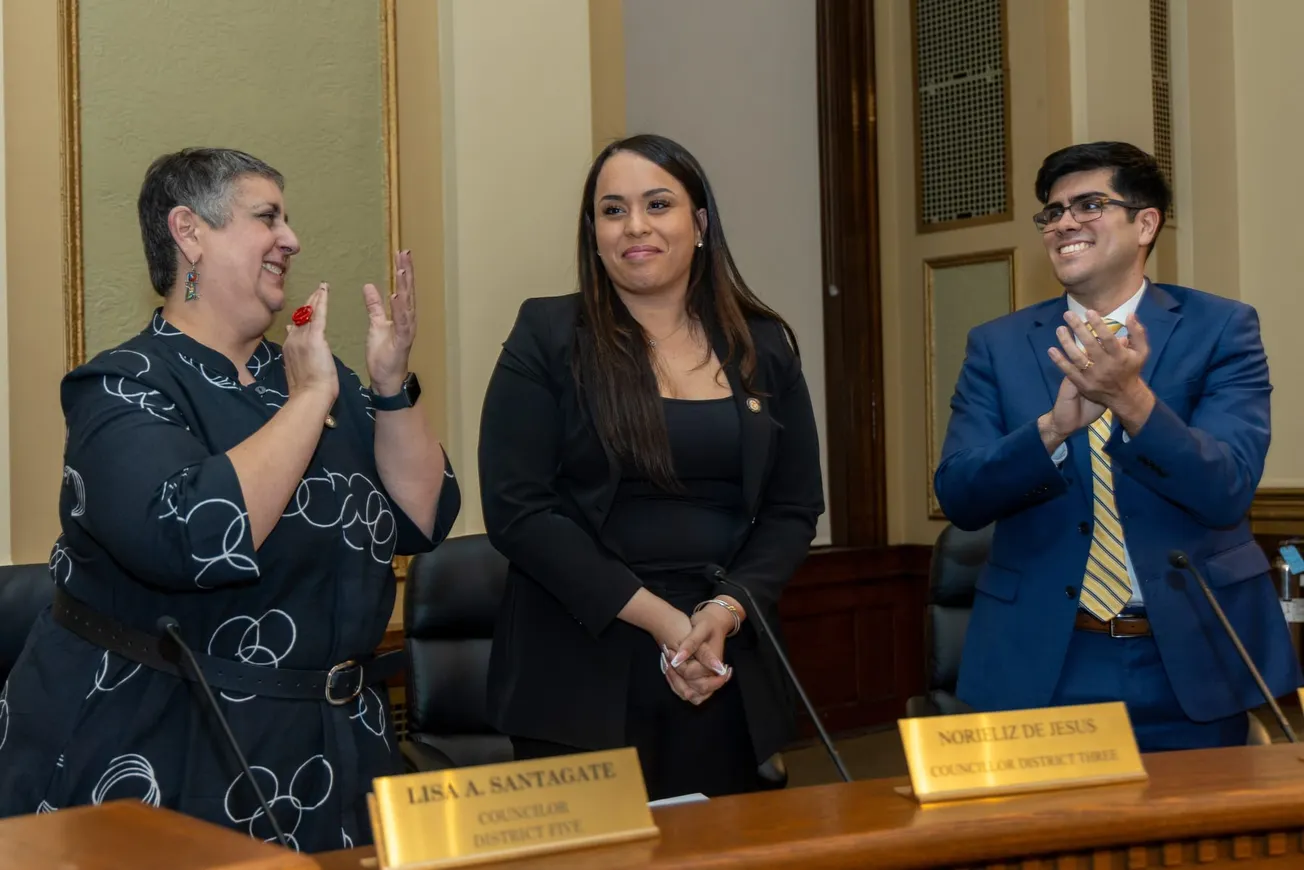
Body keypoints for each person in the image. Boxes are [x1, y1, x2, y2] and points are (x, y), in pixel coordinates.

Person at [0, 147, 459, 852]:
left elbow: (421, 517)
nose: (292, 239)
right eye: (266, 217)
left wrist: (392, 385)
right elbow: (196, 533)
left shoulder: (309, 372)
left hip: (333, 753)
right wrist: (310, 401)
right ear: (189, 232)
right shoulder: (122, 387)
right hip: (176, 750)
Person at [478, 133, 824, 799]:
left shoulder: (764, 347)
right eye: (612, 210)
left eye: (657, 204)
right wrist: (667, 623)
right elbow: (518, 509)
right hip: (581, 665)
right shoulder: (547, 337)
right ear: (593, 232)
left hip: (722, 659)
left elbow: (792, 509)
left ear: (698, 225)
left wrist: (724, 610)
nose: (634, 226)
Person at [935, 141, 1300, 751]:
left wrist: (1131, 399)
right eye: (1052, 213)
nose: (1064, 223)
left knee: (1203, 846)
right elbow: (960, 494)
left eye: (1090, 204)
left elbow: (1227, 487)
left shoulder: (1222, 329)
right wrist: (1050, 430)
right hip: (1046, 659)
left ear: (1146, 222)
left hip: (1193, 655)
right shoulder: (997, 346)